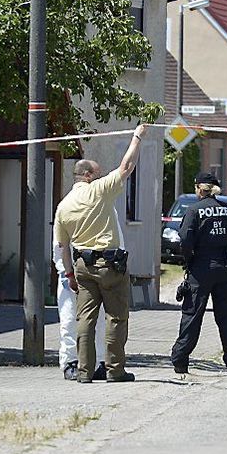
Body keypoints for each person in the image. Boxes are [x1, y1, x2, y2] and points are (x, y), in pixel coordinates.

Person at [54, 124, 147, 383]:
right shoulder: (97, 191)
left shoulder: (63, 207)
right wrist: (137, 137)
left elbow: (62, 246)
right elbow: (126, 167)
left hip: (82, 266)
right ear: (87, 176)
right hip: (108, 264)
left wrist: (70, 273)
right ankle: (115, 370)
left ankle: (84, 372)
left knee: (85, 318)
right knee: (116, 317)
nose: (100, 176)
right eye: (97, 173)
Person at [170, 172, 227, 375]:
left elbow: (184, 238)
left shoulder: (194, 210)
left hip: (201, 268)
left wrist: (189, 259)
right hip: (225, 267)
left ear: (200, 189)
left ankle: (180, 360)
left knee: (192, 315)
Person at [54, 209, 124, 381]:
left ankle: (99, 361)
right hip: (74, 270)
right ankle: (71, 361)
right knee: (71, 319)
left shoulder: (106, 206)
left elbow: (117, 239)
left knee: (98, 320)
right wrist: (66, 272)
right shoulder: (69, 206)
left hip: (100, 269)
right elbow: (60, 244)